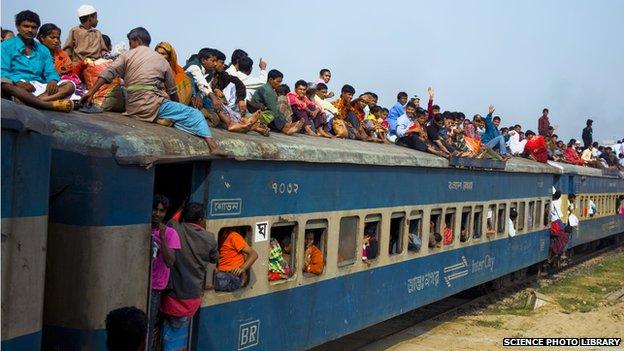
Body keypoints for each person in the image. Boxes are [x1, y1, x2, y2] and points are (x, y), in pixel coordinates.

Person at [80, 28, 226, 156]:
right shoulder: (162, 62)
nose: (130, 46)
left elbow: (109, 72)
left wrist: (90, 93)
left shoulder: (126, 55)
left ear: (136, 40)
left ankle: (162, 118)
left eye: (130, 42)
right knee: (194, 114)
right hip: (152, 105)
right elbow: (172, 90)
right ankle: (213, 147)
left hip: (132, 107)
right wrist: (176, 106)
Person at [160, 202, 218, 351]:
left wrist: (180, 209)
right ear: (201, 219)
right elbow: (214, 259)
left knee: (171, 332)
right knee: (181, 332)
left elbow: (171, 220)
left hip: (173, 295)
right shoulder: (209, 238)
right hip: (192, 297)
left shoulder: (175, 228)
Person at [1, 10, 76, 112]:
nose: (30, 30)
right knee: (3, 83)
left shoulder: (43, 49)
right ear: (18, 27)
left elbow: (50, 71)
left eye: (34, 27)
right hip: (17, 87)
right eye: (26, 26)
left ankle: (30, 103)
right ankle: (48, 105)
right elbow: (3, 71)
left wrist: (53, 80)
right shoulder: (5, 46)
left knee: (69, 85)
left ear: (37, 29)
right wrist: (18, 82)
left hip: (38, 87)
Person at [148, 195, 181, 350]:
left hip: (155, 288)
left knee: (148, 326)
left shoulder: (170, 233)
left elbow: (170, 261)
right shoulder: (143, 228)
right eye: (155, 209)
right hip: (138, 284)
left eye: (161, 211)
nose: (157, 214)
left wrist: (162, 238)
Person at [251, 69, 303, 134]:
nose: (279, 84)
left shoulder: (270, 90)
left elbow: (275, 108)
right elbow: (273, 110)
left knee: (275, 113)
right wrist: (284, 122)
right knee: (272, 114)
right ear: (270, 80)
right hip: (257, 114)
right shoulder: (268, 90)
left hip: (262, 112)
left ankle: (287, 126)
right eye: (278, 81)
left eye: (280, 82)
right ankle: (285, 129)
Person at [36, 23, 82, 99]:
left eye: (58, 38)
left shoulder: (62, 54)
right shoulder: (35, 52)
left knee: (71, 88)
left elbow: (69, 70)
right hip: (39, 83)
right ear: (42, 38)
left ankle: (37, 100)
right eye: (52, 37)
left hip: (57, 85)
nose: (56, 41)